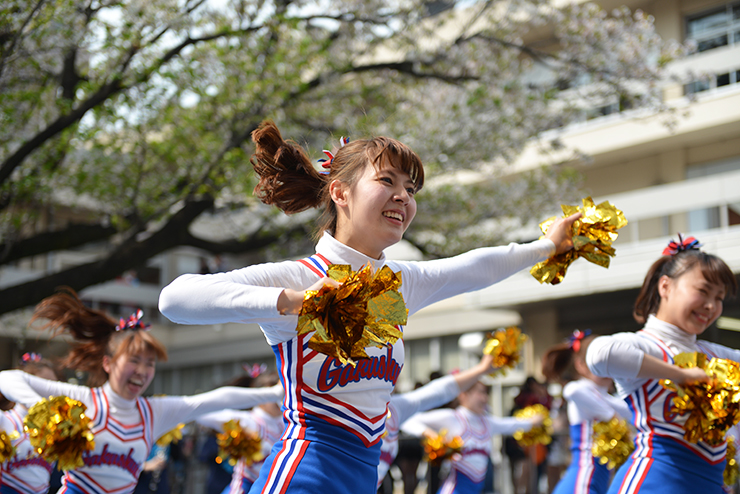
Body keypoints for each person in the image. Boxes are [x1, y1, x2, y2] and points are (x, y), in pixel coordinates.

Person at [158, 120, 581, 493]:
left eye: (410, 189)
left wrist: (546, 246)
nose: (403, 197)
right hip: (303, 476)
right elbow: (175, 299)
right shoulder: (301, 277)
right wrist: (299, 303)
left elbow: (473, 267)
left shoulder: (400, 283)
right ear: (340, 192)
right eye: (388, 182)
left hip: (364, 478)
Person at [0, 289, 284, 494]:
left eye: (150, 364)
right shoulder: (86, 401)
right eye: (134, 360)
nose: (142, 370)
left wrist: (274, 392)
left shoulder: (153, 413)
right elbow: (7, 378)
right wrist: (44, 407)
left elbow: (211, 401)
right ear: (108, 363)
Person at [585, 235, 739, 494]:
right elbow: (599, 355)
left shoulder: (713, 354)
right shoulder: (648, 346)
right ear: (665, 286)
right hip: (653, 483)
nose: (711, 305)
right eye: (702, 291)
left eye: (719, 297)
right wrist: (679, 374)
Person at [377, 353, 504, 493]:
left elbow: (440, 391)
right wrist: (430, 434)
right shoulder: (351, 409)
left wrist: (482, 369)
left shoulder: (395, 408)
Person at [400, 379, 544, 494]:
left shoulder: (488, 422)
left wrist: (534, 421)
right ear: (463, 395)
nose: (485, 398)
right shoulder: (453, 417)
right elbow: (406, 420)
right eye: (480, 393)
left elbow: (511, 425)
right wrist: (431, 435)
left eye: (486, 393)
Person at [542, 330, 631, 494]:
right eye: (599, 364)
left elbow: (631, 412)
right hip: (582, 481)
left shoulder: (606, 397)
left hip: (597, 480)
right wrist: (611, 416)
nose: (606, 371)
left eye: (609, 364)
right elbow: (571, 390)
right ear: (580, 365)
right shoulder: (582, 388)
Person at [196, 371, 283, 494]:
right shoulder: (248, 421)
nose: (279, 399)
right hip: (246, 487)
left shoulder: (286, 422)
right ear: (262, 396)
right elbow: (201, 414)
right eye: (273, 395)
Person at [1, 353, 59, 494]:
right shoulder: (4, 420)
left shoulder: (53, 430)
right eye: (44, 383)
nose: (50, 391)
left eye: (54, 385)